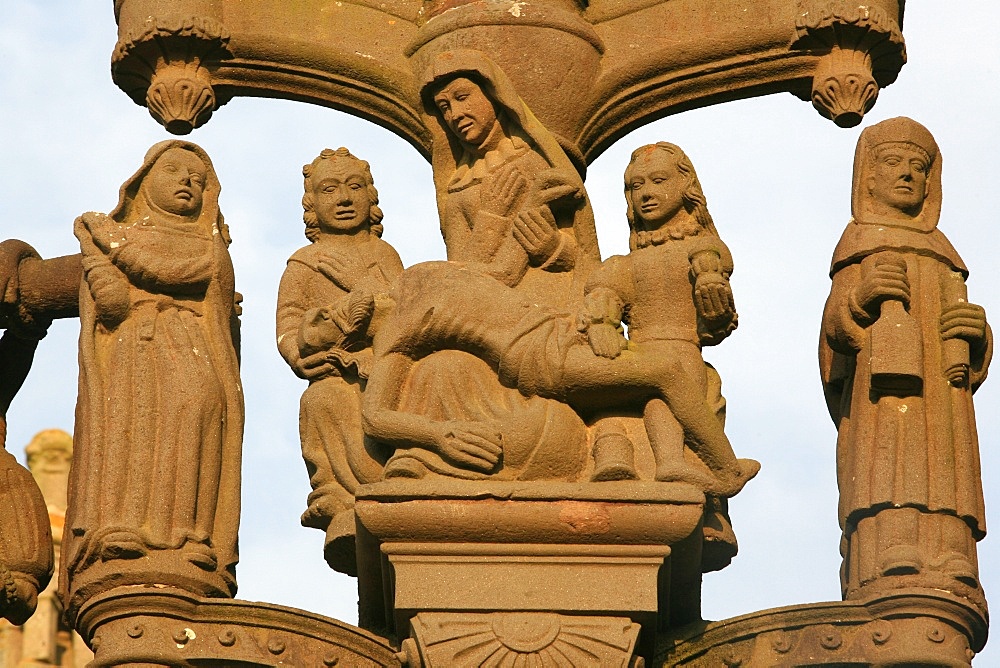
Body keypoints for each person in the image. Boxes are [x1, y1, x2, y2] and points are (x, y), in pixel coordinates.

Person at [361, 51, 599, 481]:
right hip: (482, 318)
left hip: (542, 315)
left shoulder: (537, 164)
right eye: (444, 107)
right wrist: (491, 217)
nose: (455, 114)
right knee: (441, 370)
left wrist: (546, 242)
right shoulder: (459, 187)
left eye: (463, 97)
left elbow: (583, 262)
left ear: (494, 96)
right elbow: (463, 275)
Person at [64, 141, 243, 604]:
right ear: (145, 183)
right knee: (134, 425)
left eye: (198, 178)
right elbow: (110, 305)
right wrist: (102, 277)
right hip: (134, 346)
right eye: (176, 172)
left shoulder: (208, 248)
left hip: (187, 340)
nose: (188, 182)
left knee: (197, 407)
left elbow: (162, 270)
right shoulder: (119, 237)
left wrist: (104, 239)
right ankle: (121, 527)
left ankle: (190, 535)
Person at [820, 117, 990, 598]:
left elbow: (967, 331)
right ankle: (890, 546)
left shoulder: (944, 255)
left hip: (944, 396)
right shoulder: (857, 245)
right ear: (868, 176)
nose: (907, 175)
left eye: (919, 167)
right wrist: (859, 301)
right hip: (884, 393)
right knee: (887, 462)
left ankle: (951, 552)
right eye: (893, 163)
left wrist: (977, 336)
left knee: (947, 466)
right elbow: (833, 333)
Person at [579, 142, 751, 492]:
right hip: (640, 353)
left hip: (680, 345)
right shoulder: (624, 264)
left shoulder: (700, 249)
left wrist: (710, 284)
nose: (646, 194)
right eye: (636, 186)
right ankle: (696, 464)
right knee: (672, 379)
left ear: (686, 187)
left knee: (679, 378)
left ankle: (675, 460)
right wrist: (602, 323)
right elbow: (606, 294)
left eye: (658, 181)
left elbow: (712, 281)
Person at [276, 147, 402, 574]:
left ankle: (396, 474)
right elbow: (289, 322)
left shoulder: (384, 256)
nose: (344, 199)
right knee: (321, 402)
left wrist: (358, 285)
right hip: (332, 366)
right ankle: (337, 496)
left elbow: (401, 308)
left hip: (380, 362)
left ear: (371, 197)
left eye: (354, 187)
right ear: (312, 205)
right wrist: (297, 355)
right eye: (330, 190)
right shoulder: (304, 261)